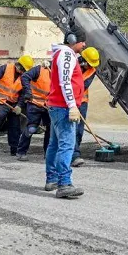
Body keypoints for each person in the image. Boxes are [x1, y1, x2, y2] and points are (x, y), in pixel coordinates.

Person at [45, 29, 87, 199]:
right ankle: (64, 184)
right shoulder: (67, 55)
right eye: (83, 41)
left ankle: (52, 179)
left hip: (57, 106)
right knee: (66, 145)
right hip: (63, 107)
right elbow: (65, 81)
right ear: (73, 40)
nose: (84, 45)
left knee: (54, 145)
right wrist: (72, 106)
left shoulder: (61, 54)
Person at [0, 54, 35, 158]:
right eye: (23, 69)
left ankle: (14, 150)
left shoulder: (25, 77)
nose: (23, 72)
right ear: (18, 66)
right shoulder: (5, 68)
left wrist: (19, 106)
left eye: (25, 70)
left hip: (13, 104)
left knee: (15, 128)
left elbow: (24, 93)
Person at [14, 62, 52, 161]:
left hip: (49, 105)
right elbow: (25, 76)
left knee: (51, 129)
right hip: (35, 103)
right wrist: (28, 92)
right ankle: (21, 152)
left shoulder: (59, 73)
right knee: (31, 128)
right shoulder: (40, 69)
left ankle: (48, 153)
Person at [71, 46, 100, 168]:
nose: (91, 66)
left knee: (79, 130)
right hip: (68, 101)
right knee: (70, 129)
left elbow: (84, 85)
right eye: (89, 63)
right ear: (82, 60)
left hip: (82, 102)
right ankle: (74, 155)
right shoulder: (71, 64)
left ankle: (74, 153)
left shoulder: (92, 70)